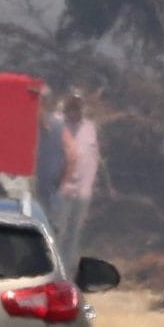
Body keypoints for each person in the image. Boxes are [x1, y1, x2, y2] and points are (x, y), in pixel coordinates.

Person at [52, 91, 101, 271]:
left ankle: (67, 273)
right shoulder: (56, 125)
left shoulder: (90, 128)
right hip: (60, 190)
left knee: (74, 233)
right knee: (58, 231)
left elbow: (94, 157)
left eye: (78, 105)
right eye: (71, 105)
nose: (74, 109)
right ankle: (53, 270)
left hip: (83, 191)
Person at [34, 89, 67, 213]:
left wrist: (62, 177)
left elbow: (71, 156)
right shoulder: (59, 124)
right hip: (39, 183)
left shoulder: (58, 125)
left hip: (49, 184)